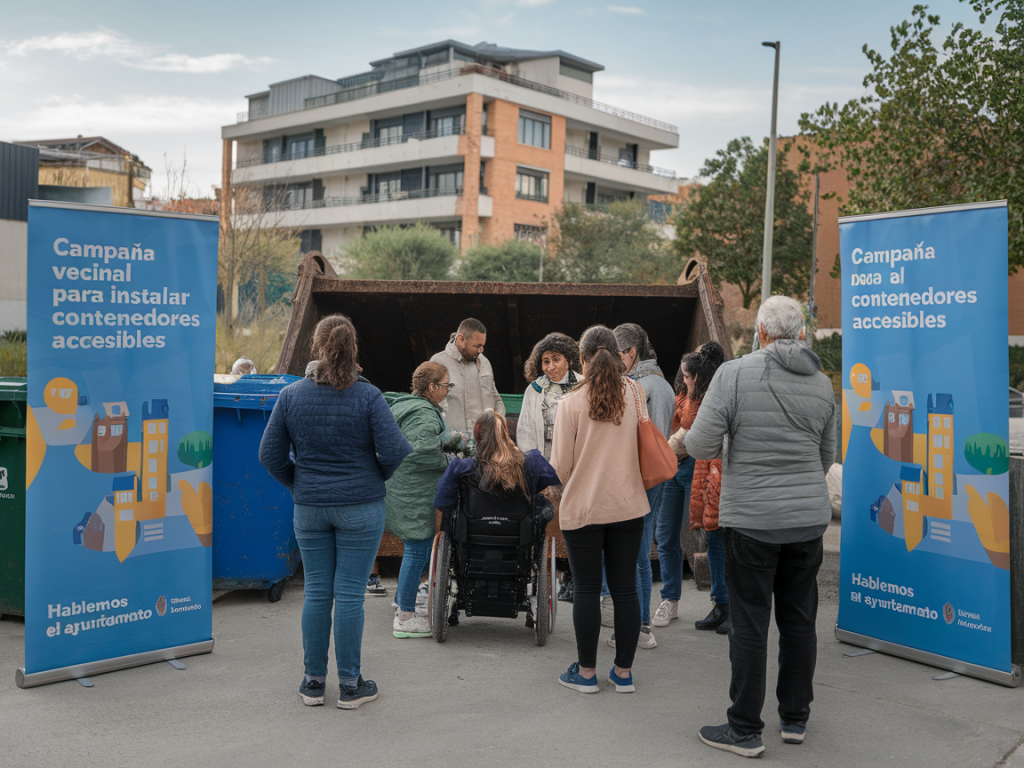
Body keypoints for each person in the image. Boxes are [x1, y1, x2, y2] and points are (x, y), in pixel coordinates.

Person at [684, 296, 836, 758]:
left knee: (750, 622)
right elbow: (826, 457)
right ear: (803, 335)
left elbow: (701, 443)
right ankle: (795, 718)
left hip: (751, 521)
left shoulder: (733, 375)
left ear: (762, 333)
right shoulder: (824, 384)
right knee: (799, 619)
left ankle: (745, 728)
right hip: (808, 521)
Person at [259, 314, 412, 710]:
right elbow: (396, 449)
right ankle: (349, 686)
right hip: (360, 507)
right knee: (348, 596)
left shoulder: (292, 395)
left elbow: (268, 455)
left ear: (316, 346)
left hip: (309, 508)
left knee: (316, 593)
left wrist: (298, 483)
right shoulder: (368, 395)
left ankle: (312, 683)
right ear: (353, 347)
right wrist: (372, 477)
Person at [549, 325, 650, 694]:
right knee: (626, 589)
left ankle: (587, 673)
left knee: (588, 589)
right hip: (628, 506)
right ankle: (623, 673)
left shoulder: (570, 403)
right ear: (616, 352)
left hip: (584, 509)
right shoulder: (635, 393)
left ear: (582, 358)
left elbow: (559, 466)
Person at [433, 411, 560, 616]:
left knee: (451, 514)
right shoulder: (530, 464)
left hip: (473, 536)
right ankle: (533, 567)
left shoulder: (462, 468)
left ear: (477, 435)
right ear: (506, 434)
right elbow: (549, 480)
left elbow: (442, 503)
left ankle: (457, 579)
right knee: (539, 504)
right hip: (517, 537)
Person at [601, 323, 675, 650]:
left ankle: (638, 627)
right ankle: (640, 625)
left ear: (631, 353)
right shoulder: (655, 382)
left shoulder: (644, 386)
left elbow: (643, 439)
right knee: (639, 551)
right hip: (649, 477)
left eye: (617, 354)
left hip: (640, 477)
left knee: (633, 552)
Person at [662, 344, 728, 632]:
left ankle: (724, 603)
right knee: (668, 536)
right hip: (685, 468)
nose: (685, 374)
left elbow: (689, 431)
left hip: (702, 469)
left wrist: (661, 453)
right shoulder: (688, 393)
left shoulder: (711, 397)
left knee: (715, 537)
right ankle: (676, 600)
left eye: (691, 373)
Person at [384, 362, 452, 639]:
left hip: (400, 488)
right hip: (416, 492)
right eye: (447, 385)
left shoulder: (405, 405)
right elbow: (422, 449)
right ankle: (405, 616)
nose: (449, 390)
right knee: (418, 547)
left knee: (414, 547)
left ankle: (402, 600)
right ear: (432, 387)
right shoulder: (424, 415)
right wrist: (449, 459)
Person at [516, 332, 583, 460]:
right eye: (546, 361)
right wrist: (536, 465)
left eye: (556, 359)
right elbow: (525, 433)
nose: (550, 367)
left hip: (577, 466)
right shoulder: (534, 390)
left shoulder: (584, 386)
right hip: (545, 467)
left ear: (568, 360)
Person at [430, 317, 504, 432]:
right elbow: (429, 407)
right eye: (477, 346)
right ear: (461, 340)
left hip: (483, 444)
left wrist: (497, 430)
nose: (481, 350)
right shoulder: (438, 363)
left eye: (482, 346)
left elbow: (495, 398)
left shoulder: (484, 362)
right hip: (451, 445)